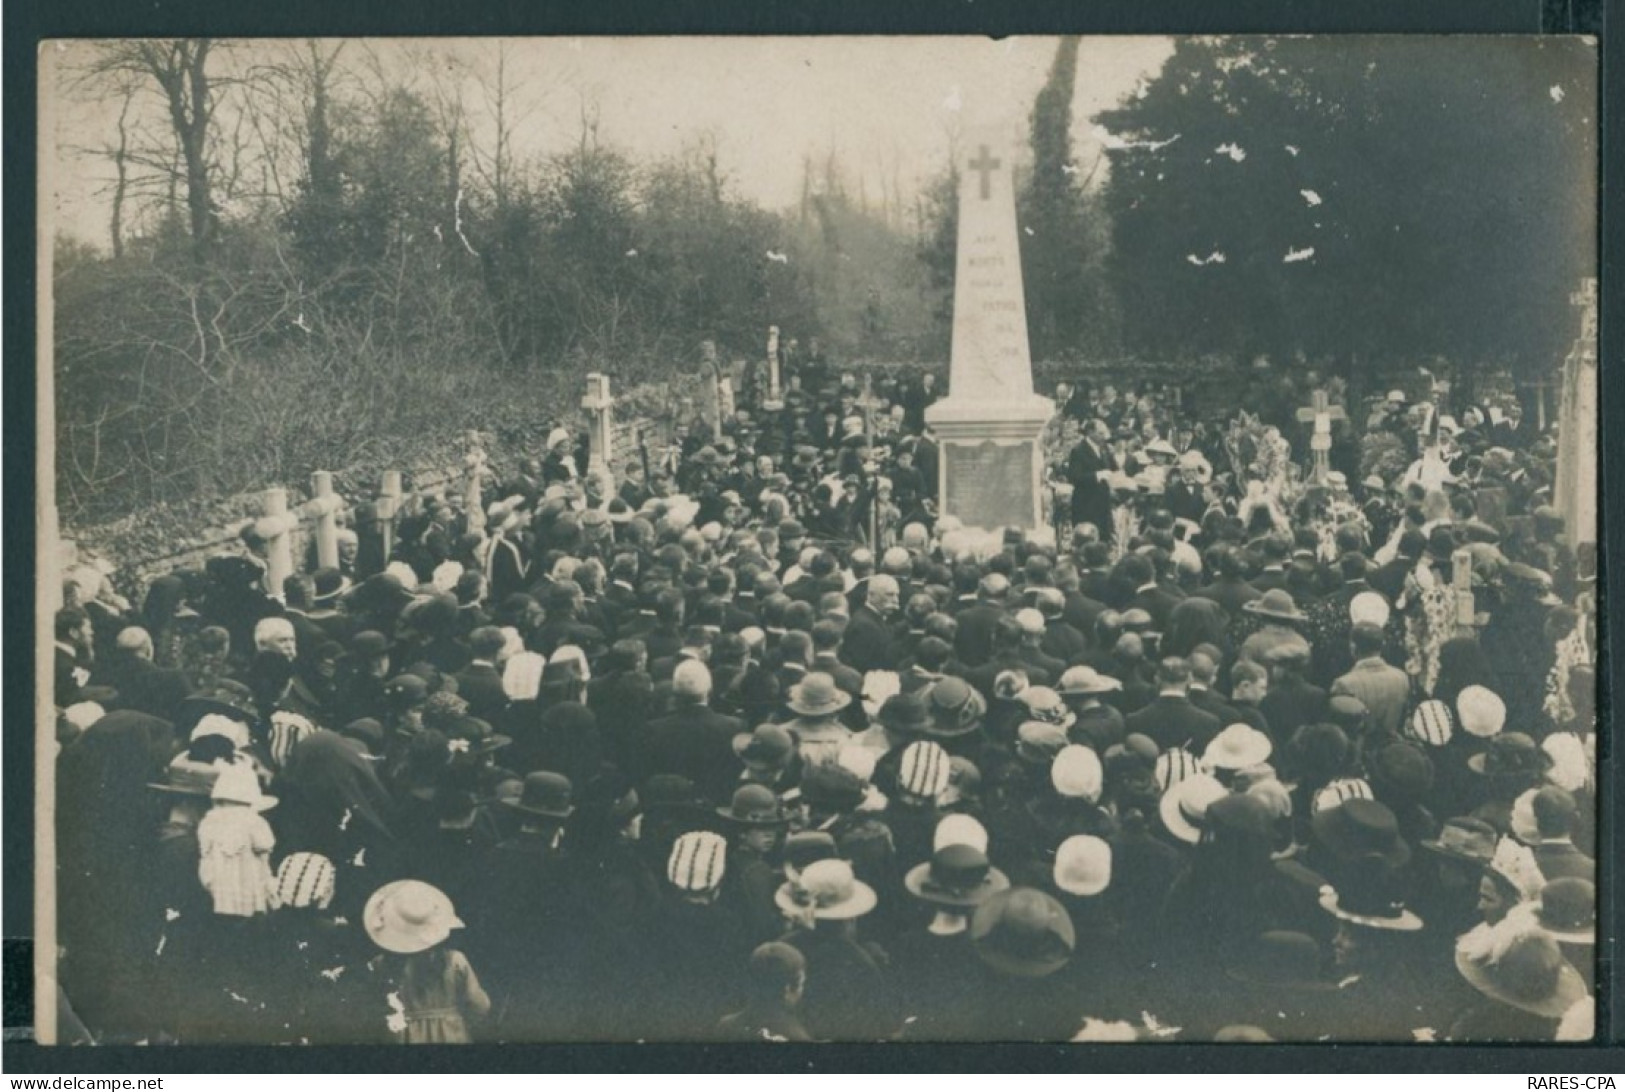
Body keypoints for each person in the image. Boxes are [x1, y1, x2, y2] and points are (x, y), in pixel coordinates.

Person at [364, 880, 492, 1044]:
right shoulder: (454, 960)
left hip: (403, 1035)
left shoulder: (381, 963)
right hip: (452, 1032)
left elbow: (374, 1007)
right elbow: (480, 1005)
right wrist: (459, 1021)